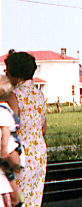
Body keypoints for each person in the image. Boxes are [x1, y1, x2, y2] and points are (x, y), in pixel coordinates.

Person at [5, 50, 47, 207]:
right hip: (38, 153)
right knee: (34, 200)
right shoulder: (39, 94)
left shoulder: (14, 95)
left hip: (21, 155)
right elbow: (43, 128)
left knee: (18, 200)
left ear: (15, 74)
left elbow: (9, 128)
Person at [0, 76, 22, 207]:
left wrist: (3, 149)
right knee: (11, 177)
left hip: (8, 145)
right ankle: (17, 201)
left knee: (9, 175)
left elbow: (6, 131)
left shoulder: (1, 112)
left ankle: (16, 201)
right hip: (14, 144)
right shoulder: (7, 108)